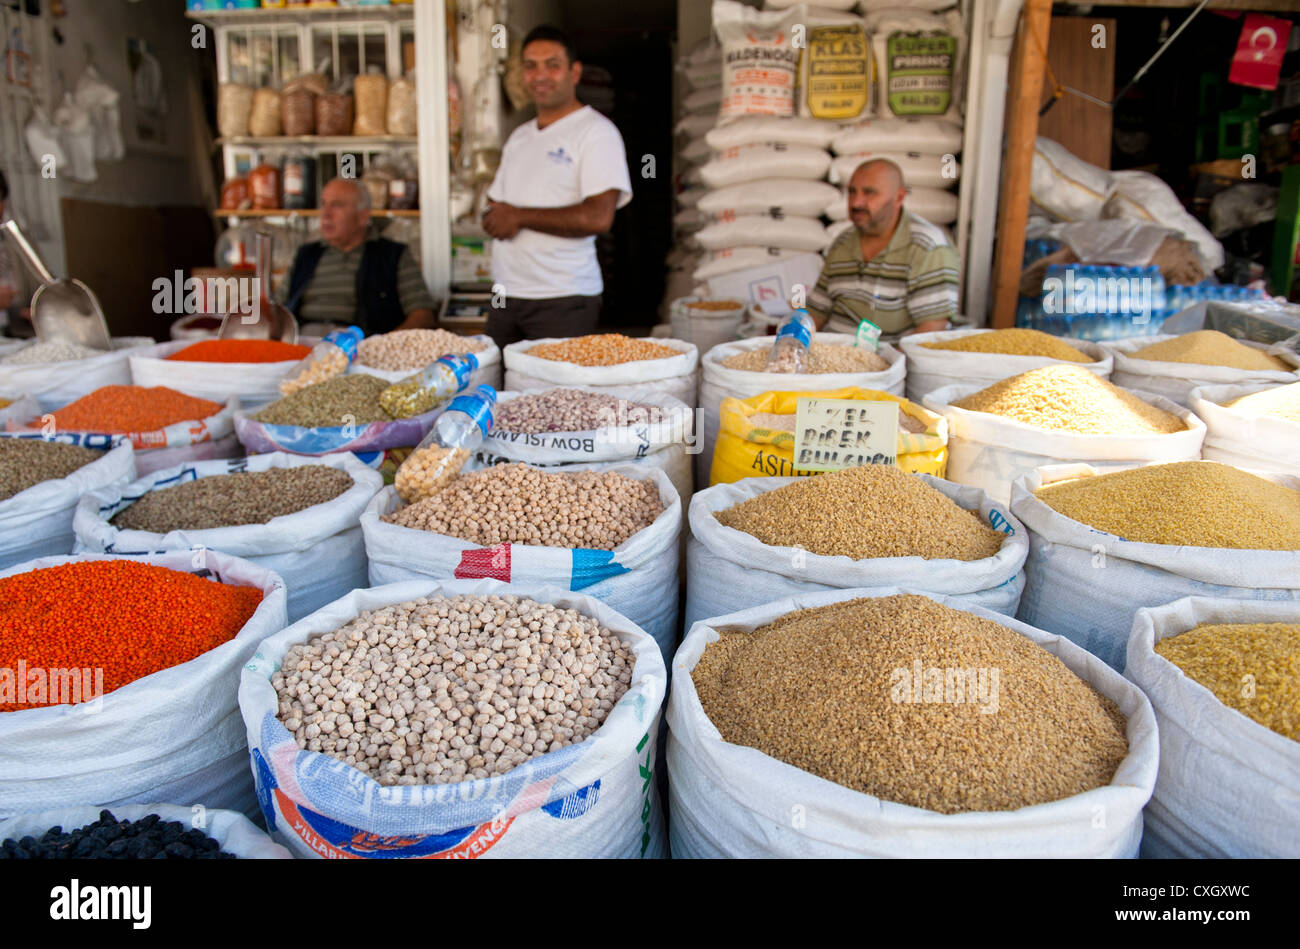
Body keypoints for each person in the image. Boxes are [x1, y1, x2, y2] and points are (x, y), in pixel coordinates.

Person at [481, 25, 633, 350]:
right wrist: (493, 218)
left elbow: (598, 217)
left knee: (551, 399)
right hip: (506, 296)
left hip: (563, 300)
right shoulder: (520, 137)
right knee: (494, 394)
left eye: (552, 65)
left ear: (574, 72)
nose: (540, 75)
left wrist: (518, 217)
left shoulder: (596, 133)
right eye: (531, 65)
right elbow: (497, 205)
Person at [806, 159, 959, 340]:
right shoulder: (842, 243)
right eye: (852, 192)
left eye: (869, 193)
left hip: (893, 362)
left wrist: (885, 365)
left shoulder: (927, 246)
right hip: (835, 360)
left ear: (899, 197)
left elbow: (932, 328)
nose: (856, 202)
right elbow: (816, 313)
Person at [283, 177, 436, 335]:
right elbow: (275, 308)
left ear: (363, 217)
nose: (326, 214)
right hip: (301, 343)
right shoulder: (306, 254)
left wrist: (384, 345)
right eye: (323, 204)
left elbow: (423, 315)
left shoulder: (392, 255)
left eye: (337, 205)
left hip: (360, 345)